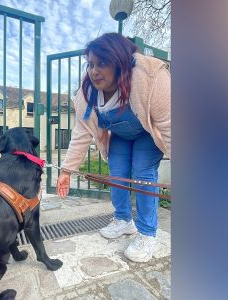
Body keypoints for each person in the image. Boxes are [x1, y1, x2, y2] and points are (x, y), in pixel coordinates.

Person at [56, 33, 171, 262]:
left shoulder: (151, 78)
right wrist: (66, 170)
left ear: (121, 62)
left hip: (148, 133)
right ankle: (123, 220)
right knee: (116, 174)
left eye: (102, 63)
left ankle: (147, 233)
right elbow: (82, 132)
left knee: (142, 173)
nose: (94, 71)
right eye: (90, 64)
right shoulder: (87, 93)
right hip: (119, 135)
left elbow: (170, 126)